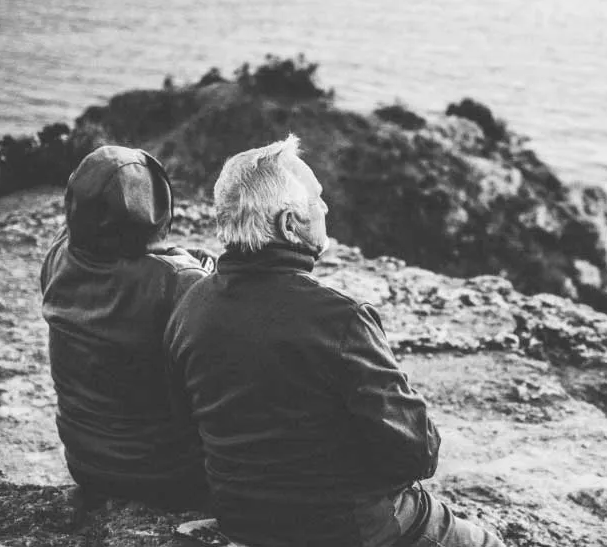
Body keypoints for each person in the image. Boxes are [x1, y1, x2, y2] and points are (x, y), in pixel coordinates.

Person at [164, 136, 504, 547]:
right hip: (348, 529)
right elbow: (417, 453)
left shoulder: (190, 306)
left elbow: (184, 426)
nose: (325, 208)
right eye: (317, 200)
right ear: (289, 224)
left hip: (242, 518)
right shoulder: (341, 319)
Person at [40, 146, 212, 509]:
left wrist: (174, 258)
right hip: (166, 473)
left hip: (84, 462)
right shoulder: (180, 281)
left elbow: (119, 261)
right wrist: (199, 271)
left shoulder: (58, 255)